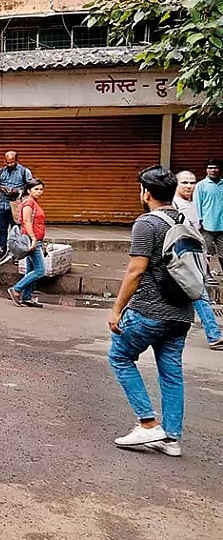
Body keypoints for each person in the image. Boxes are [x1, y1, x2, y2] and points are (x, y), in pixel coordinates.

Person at [108, 166, 194, 458]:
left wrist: (117, 309)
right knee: (171, 374)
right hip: (181, 312)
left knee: (120, 356)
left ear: (145, 193)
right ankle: (171, 439)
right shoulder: (183, 221)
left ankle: (147, 423)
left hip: (150, 310)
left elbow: (136, 270)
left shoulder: (147, 224)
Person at [175, 171, 222, 349]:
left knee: (195, 296)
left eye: (192, 182)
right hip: (180, 259)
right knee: (199, 295)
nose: (189, 186)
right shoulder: (173, 204)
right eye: (184, 182)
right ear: (175, 184)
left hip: (193, 258)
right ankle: (214, 335)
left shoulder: (194, 204)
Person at [7, 179, 47, 308]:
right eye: (36, 189)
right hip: (31, 240)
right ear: (29, 190)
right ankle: (16, 289)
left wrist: (40, 240)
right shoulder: (29, 203)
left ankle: (27, 297)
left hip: (36, 239)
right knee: (40, 270)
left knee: (31, 269)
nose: (39, 192)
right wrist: (34, 238)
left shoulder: (34, 202)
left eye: (41, 189)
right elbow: (27, 221)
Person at [0, 151, 33, 251]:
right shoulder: (1, 171)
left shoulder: (24, 171)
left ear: (16, 160)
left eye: (12, 162)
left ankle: (16, 253)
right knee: (2, 229)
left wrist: (18, 191)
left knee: (16, 231)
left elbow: (31, 187)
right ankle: (2, 250)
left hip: (16, 206)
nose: (10, 164)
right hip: (2, 205)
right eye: (7, 162)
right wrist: (1, 188)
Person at [196, 158, 223, 282]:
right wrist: (199, 221)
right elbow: (197, 204)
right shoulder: (201, 185)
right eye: (210, 168)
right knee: (205, 252)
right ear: (206, 170)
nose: (212, 170)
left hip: (222, 225)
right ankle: (207, 275)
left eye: (215, 167)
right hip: (207, 225)